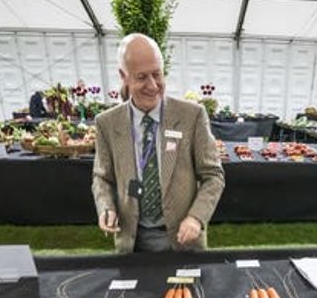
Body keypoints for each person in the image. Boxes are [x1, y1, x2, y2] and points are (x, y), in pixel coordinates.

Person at [91, 33, 225, 253]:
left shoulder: (192, 116)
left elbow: (213, 175)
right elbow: (102, 177)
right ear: (123, 76)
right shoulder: (106, 123)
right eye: (142, 77)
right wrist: (106, 207)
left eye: (157, 74)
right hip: (132, 243)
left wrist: (196, 218)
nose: (152, 85)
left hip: (184, 242)